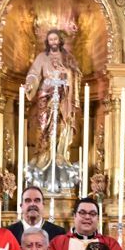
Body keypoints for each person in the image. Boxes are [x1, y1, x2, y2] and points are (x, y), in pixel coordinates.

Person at [23, 30, 82, 174]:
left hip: (63, 97)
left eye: (55, 39)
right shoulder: (42, 57)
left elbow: (77, 75)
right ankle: (43, 156)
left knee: (62, 125)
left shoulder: (68, 58)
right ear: (47, 42)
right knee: (44, 127)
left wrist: (68, 74)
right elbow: (34, 73)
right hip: (46, 96)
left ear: (60, 41)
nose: (53, 42)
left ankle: (60, 154)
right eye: (50, 40)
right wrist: (30, 83)